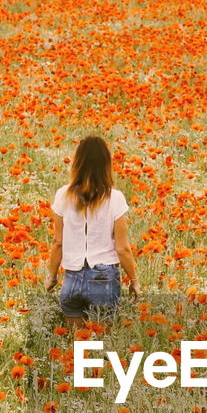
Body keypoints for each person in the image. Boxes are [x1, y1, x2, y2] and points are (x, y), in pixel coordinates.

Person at [45, 135, 141, 325]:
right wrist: (134, 280)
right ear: (106, 164)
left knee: (75, 344)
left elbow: (58, 242)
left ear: (77, 163)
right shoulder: (115, 198)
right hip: (103, 279)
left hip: (72, 277)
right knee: (104, 345)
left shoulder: (63, 195)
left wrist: (52, 276)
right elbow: (122, 249)